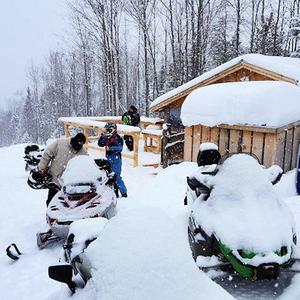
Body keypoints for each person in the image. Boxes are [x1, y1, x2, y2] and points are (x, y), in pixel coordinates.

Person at [38, 133, 88, 206]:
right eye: (76, 145)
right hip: (54, 179)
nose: (77, 147)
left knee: (67, 205)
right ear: (73, 141)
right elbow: (47, 154)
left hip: (69, 183)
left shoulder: (83, 152)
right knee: (51, 202)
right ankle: (50, 215)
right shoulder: (60, 143)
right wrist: (42, 168)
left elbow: (87, 164)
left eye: (80, 146)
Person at [98, 122, 127, 198]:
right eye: (106, 130)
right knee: (110, 177)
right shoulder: (107, 137)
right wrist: (103, 136)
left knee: (117, 177)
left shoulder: (118, 138)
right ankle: (115, 193)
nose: (106, 132)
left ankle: (124, 193)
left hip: (116, 159)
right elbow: (100, 144)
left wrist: (111, 148)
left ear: (112, 130)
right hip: (108, 158)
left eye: (108, 130)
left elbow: (120, 148)